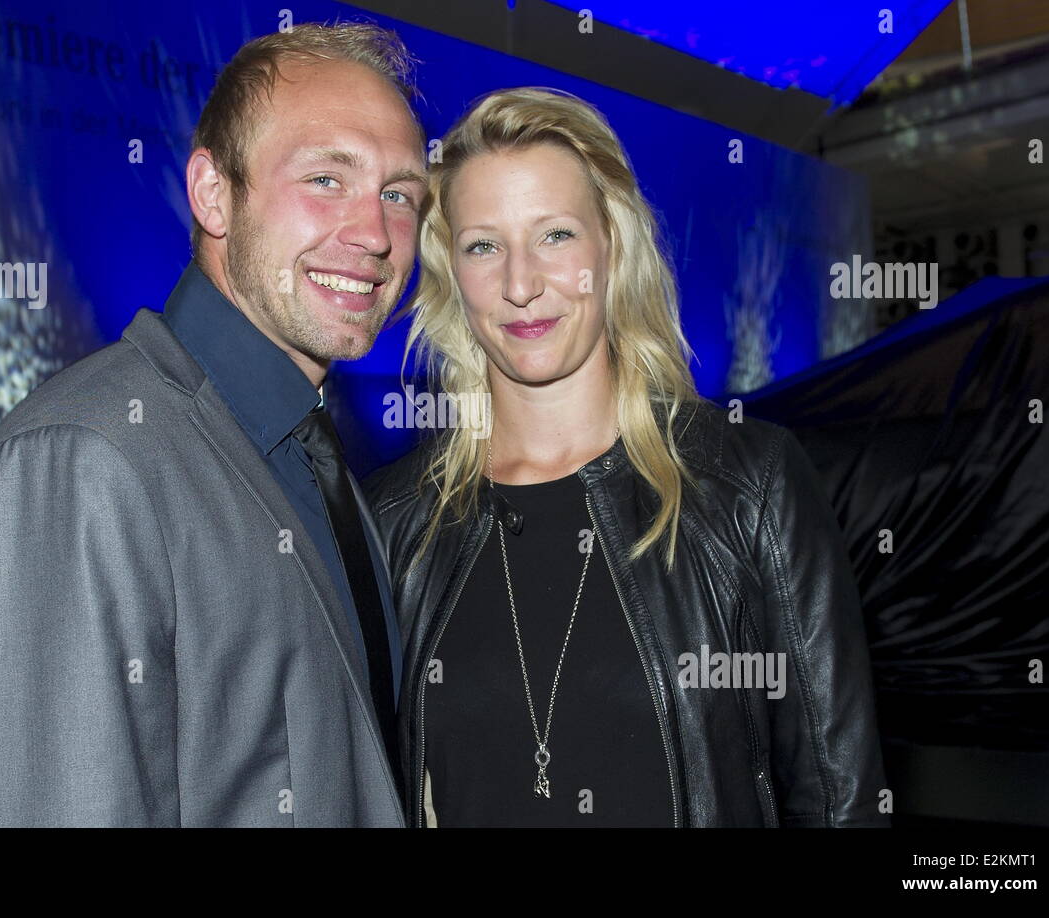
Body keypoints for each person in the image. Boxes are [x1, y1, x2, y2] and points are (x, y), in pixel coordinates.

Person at [0, 22, 428, 826]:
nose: (374, 234)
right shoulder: (83, 460)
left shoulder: (312, 454)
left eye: (400, 193)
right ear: (212, 194)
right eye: (326, 180)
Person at [365, 87, 889, 827]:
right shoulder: (394, 525)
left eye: (555, 235)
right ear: (452, 274)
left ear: (612, 247)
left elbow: (842, 803)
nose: (521, 284)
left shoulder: (745, 486)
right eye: (484, 245)